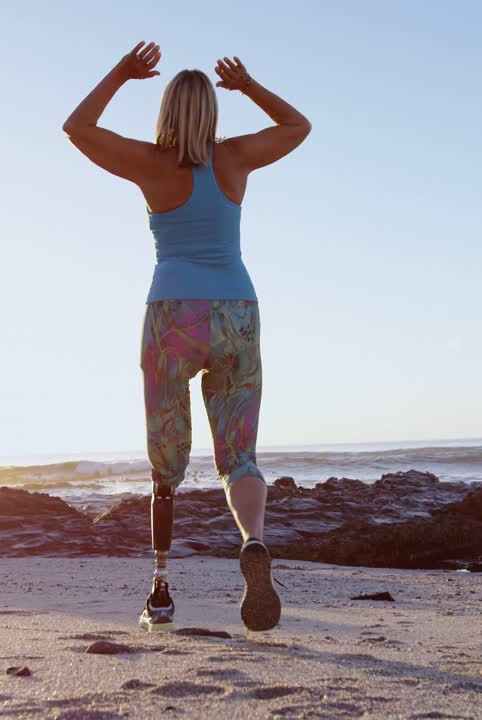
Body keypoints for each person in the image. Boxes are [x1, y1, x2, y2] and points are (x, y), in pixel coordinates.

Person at [63, 42, 310, 632]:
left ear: (167, 111)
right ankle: (252, 541)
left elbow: (77, 127)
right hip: (237, 309)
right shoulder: (235, 159)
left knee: (167, 450)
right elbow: (298, 125)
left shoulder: (150, 163)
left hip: (173, 312)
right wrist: (248, 85)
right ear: (213, 113)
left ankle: (162, 588)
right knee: (239, 453)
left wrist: (122, 74)